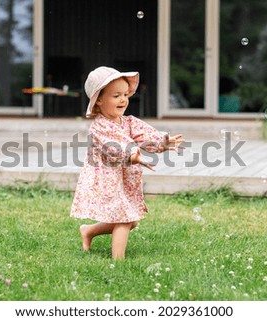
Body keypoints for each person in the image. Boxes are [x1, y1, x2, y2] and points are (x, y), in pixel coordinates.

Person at [70, 66, 185, 260]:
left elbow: (144, 134)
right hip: (106, 181)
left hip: (122, 180)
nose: (123, 100)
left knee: (132, 222)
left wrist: (162, 142)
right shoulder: (99, 127)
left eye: (125, 94)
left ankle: (88, 231)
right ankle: (118, 261)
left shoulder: (127, 122)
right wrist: (132, 155)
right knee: (125, 220)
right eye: (116, 96)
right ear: (99, 99)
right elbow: (113, 147)